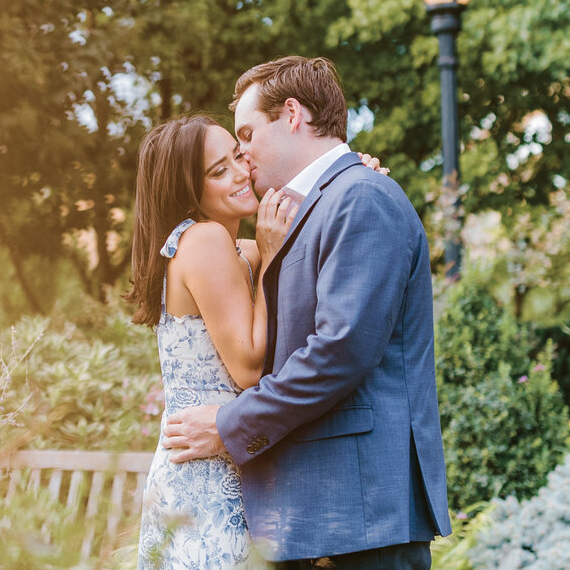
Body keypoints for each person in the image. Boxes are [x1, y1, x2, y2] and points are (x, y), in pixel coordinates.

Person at [160, 56, 452, 569]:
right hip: (319, 516)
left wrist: (230, 426)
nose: (244, 156)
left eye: (246, 135)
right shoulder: (312, 206)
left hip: (360, 515)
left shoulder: (361, 196)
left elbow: (340, 350)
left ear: (292, 114)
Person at [127, 112, 383, 569]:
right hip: (209, 470)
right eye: (218, 171)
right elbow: (247, 367)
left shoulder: (236, 248)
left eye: (237, 156)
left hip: (233, 457)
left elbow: (306, 219)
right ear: (189, 191)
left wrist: (352, 174)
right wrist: (268, 261)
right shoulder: (204, 241)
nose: (242, 173)